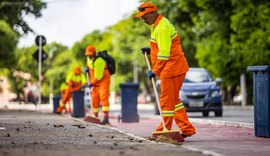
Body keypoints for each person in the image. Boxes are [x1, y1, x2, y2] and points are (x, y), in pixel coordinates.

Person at [135, 2, 196, 138]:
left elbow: (164, 54)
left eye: (144, 17)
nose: (143, 20)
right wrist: (151, 51)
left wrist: (155, 70)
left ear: (152, 13)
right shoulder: (157, 25)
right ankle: (187, 129)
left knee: (166, 101)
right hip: (174, 66)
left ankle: (164, 129)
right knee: (174, 101)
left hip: (172, 67)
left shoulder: (162, 27)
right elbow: (164, 46)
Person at [84, 45, 111, 125]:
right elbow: (89, 66)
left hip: (103, 81)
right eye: (87, 54)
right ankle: (95, 117)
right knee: (94, 98)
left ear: (94, 53)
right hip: (94, 81)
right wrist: (87, 69)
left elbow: (99, 77)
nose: (89, 56)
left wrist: (91, 83)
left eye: (90, 54)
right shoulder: (89, 59)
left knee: (103, 97)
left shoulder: (99, 61)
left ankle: (106, 118)